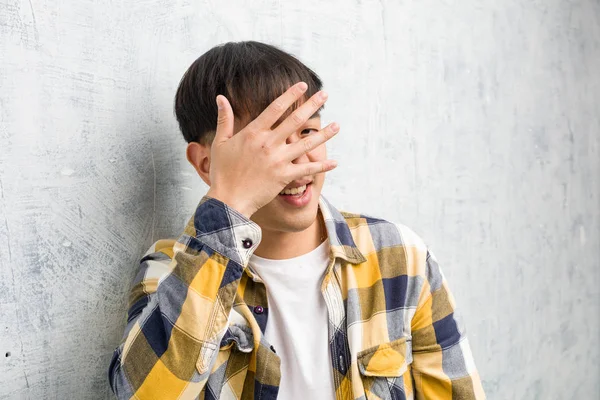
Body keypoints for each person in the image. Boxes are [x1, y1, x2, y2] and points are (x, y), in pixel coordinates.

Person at [108, 40, 485, 400]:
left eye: (307, 132)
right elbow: (142, 393)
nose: (299, 161)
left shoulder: (399, 256)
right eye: (269, 145)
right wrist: (229, 201)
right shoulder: (171, 271)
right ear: (207, 164)